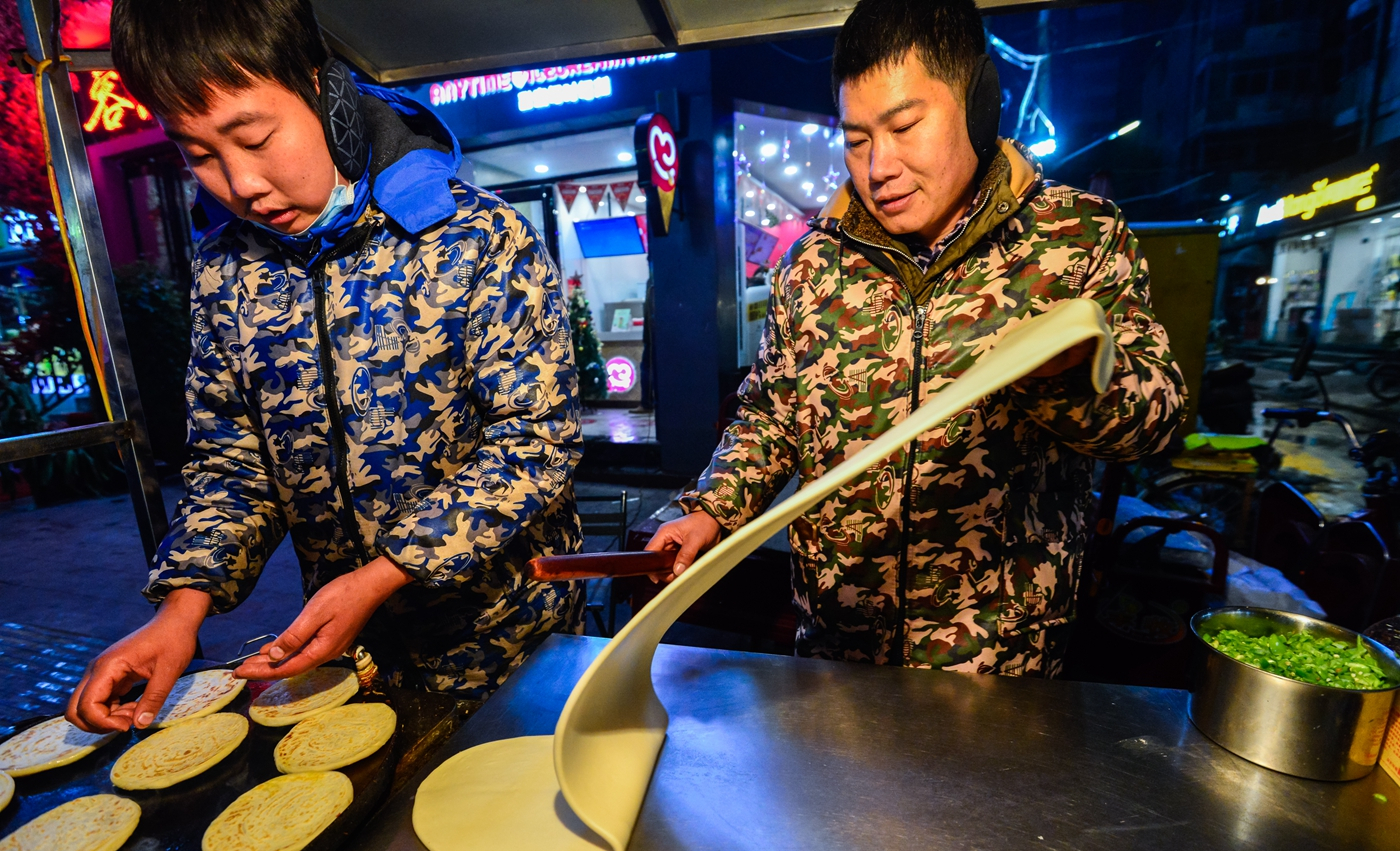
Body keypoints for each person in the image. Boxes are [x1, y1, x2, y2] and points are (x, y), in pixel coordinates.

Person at [67, 0, 583, 733]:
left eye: (254, 138)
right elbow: (233, 464)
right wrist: (181, 611)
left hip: (511, 645)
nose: (241, 184)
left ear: (322, 90)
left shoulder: (476, 238)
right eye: (200, 154)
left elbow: (536, 445)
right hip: (350, 659)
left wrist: (380, 578)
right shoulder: (225, 270)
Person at [647, 0, 1185, 676]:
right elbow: (772, 415)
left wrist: (1073, 376)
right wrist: (712, 511)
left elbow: (1160, 419)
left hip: (999, 671)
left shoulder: (1076, 239)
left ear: (978, 104)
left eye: (905, 126)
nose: (879, 167)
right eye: (856, 138)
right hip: (836, 655)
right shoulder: (812, 265)